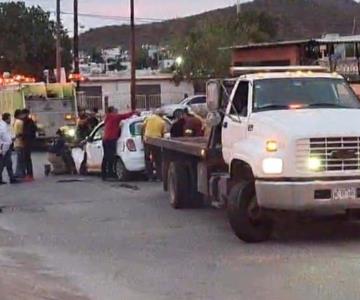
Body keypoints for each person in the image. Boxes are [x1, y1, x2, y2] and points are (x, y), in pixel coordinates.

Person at [102, 106, 136, 180]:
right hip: (111, 139)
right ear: (112, 111)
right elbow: (124, 116)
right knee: (111, 157)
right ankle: (110, 174)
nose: (117, 111)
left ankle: (104, 174)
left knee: (106, 157)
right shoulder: (114, 117)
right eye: (115, 110)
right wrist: (134, 112)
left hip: (105, 139)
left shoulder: (108, 117)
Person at [142, 109, 167, 180]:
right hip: (156, 141)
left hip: (147, 140)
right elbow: (163, 133)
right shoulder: (162, 122)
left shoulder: (148, 118)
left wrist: (143, 137)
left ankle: (150, 176)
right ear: (161, 115)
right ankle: (160, 176)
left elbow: (143, 127)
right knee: (158, 159)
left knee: (147, 158)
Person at [0, 113, 18, 184]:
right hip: (3, 147)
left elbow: (8, 135)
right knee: (1, 164)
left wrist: (12, 138)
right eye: (9, 118)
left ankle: (12, 178)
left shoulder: (6, 125)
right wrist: (11, 140)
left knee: (9, 163)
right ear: (6, 119)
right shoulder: (2, 126)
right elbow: (4, 136)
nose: (10, 120)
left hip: (7, 146)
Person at [22, 109, 37, 181]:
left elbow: (28, 132)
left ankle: (30, 174)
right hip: (28, 141)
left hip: (27, 141)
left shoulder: (27, 121)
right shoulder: (29, 121)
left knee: (27, 158)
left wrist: (23, 135)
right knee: (27, 158)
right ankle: (29, 174)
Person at [13, 109, 25, 178]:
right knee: (20, 160)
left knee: (19, 159)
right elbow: (20, 133)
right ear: (19, 115)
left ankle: (20, 173)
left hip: (16, 143)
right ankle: (18, 173)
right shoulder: (20, 122)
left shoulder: (15, 122)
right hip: (20, 143)